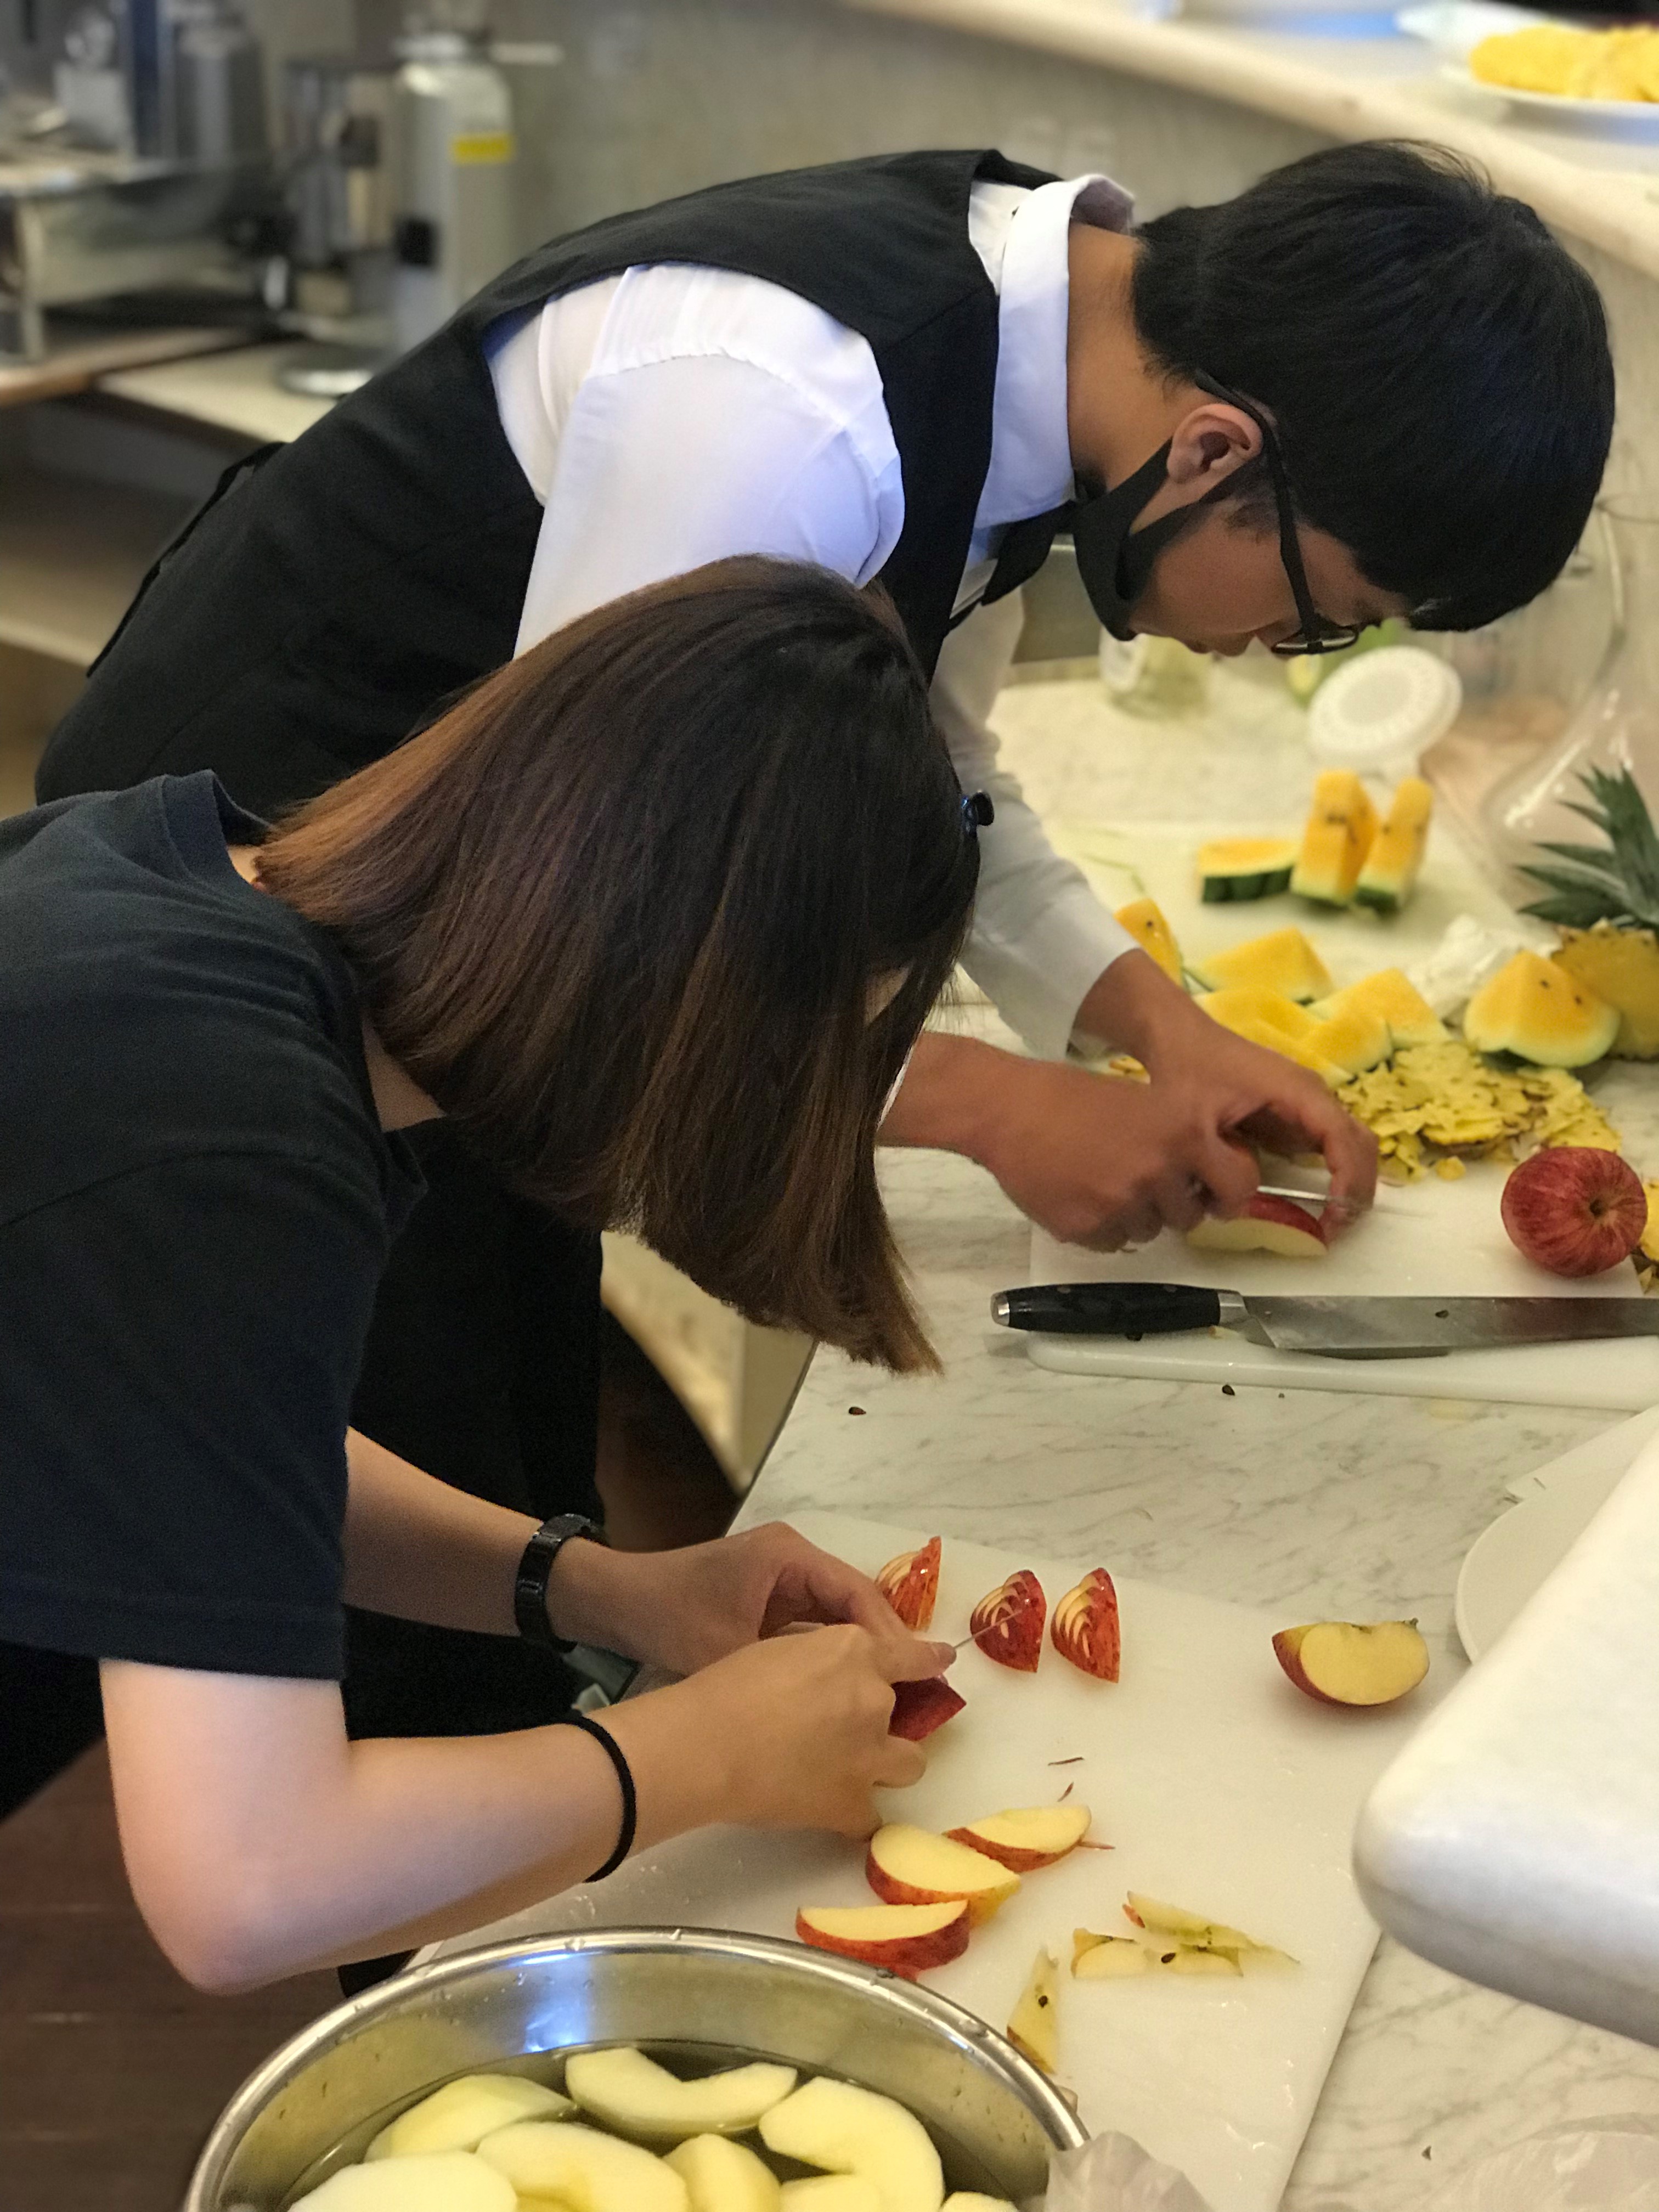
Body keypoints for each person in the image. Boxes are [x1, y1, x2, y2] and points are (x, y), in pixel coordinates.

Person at [29, 136, 1613, 1777]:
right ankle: (431, 1909)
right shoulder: (774, 416)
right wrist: (996, 1106)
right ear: (1219, 449)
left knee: (500, 1450)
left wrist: (1152, 1026)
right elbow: (619, 935)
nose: (1274, 652)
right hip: (265, 921)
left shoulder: (1061, 360)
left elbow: (941, 768)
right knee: (351, 1521)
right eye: (1318, 610)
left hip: (452, 958)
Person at [0, 561, 971, 1988]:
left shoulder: (179, 901)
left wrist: (605, 1591)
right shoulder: (235, 1141)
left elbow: (223, 1450)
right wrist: (702, 1755)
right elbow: (248, 1885)